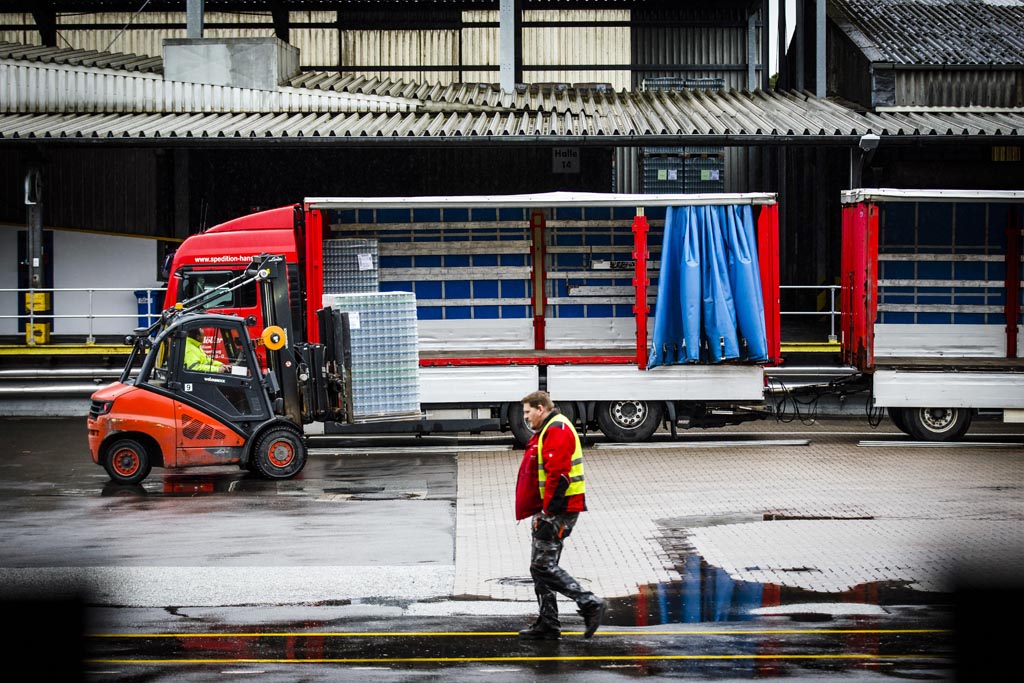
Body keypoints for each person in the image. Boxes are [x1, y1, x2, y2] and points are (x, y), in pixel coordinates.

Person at [515, 390, 605, 640]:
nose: (525, 417)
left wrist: (547, 512)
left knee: (543, 566)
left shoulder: (556, 429)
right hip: (551, 509)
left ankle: (589, 603)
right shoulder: (549, 429)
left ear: (540, 409)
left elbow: (560, 475)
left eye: (527, 412)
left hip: (559, 511)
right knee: (539, 567)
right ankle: (548, 622)